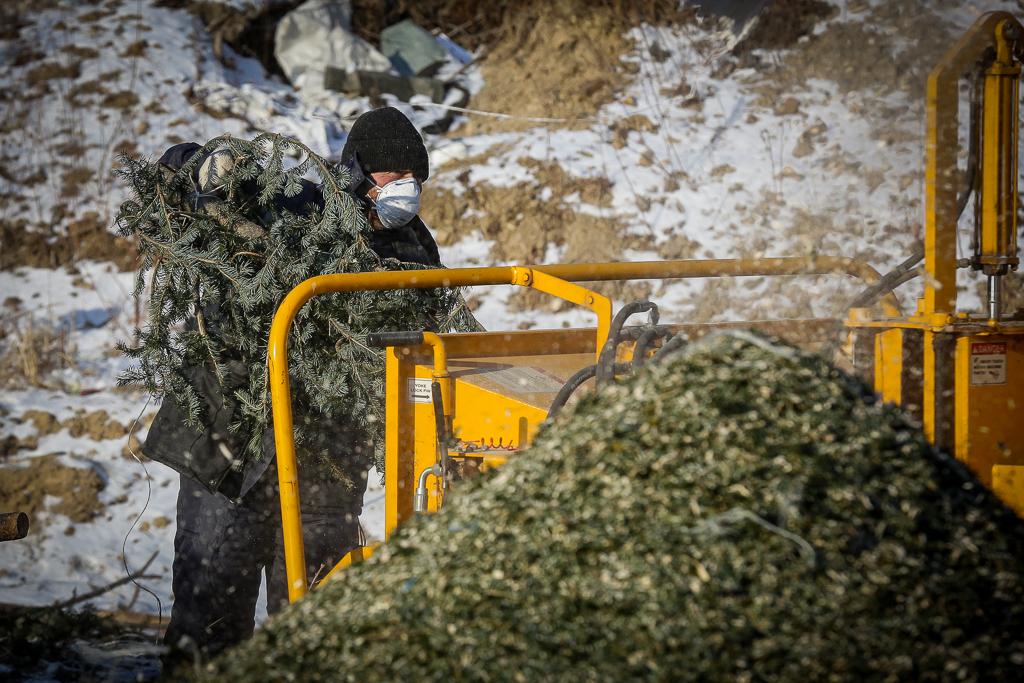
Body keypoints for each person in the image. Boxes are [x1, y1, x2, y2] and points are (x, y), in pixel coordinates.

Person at [144, 107, 440, 660]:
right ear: (355, 171)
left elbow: (424, 334)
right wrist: (203, 168)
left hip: (325, 459)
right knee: (211, 609)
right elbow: (184, 186)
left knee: (313, 622)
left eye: (414, 177)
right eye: (390, 175)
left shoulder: (414, 250)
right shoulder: (297, 208)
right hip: (234, 443)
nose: (405, 188)